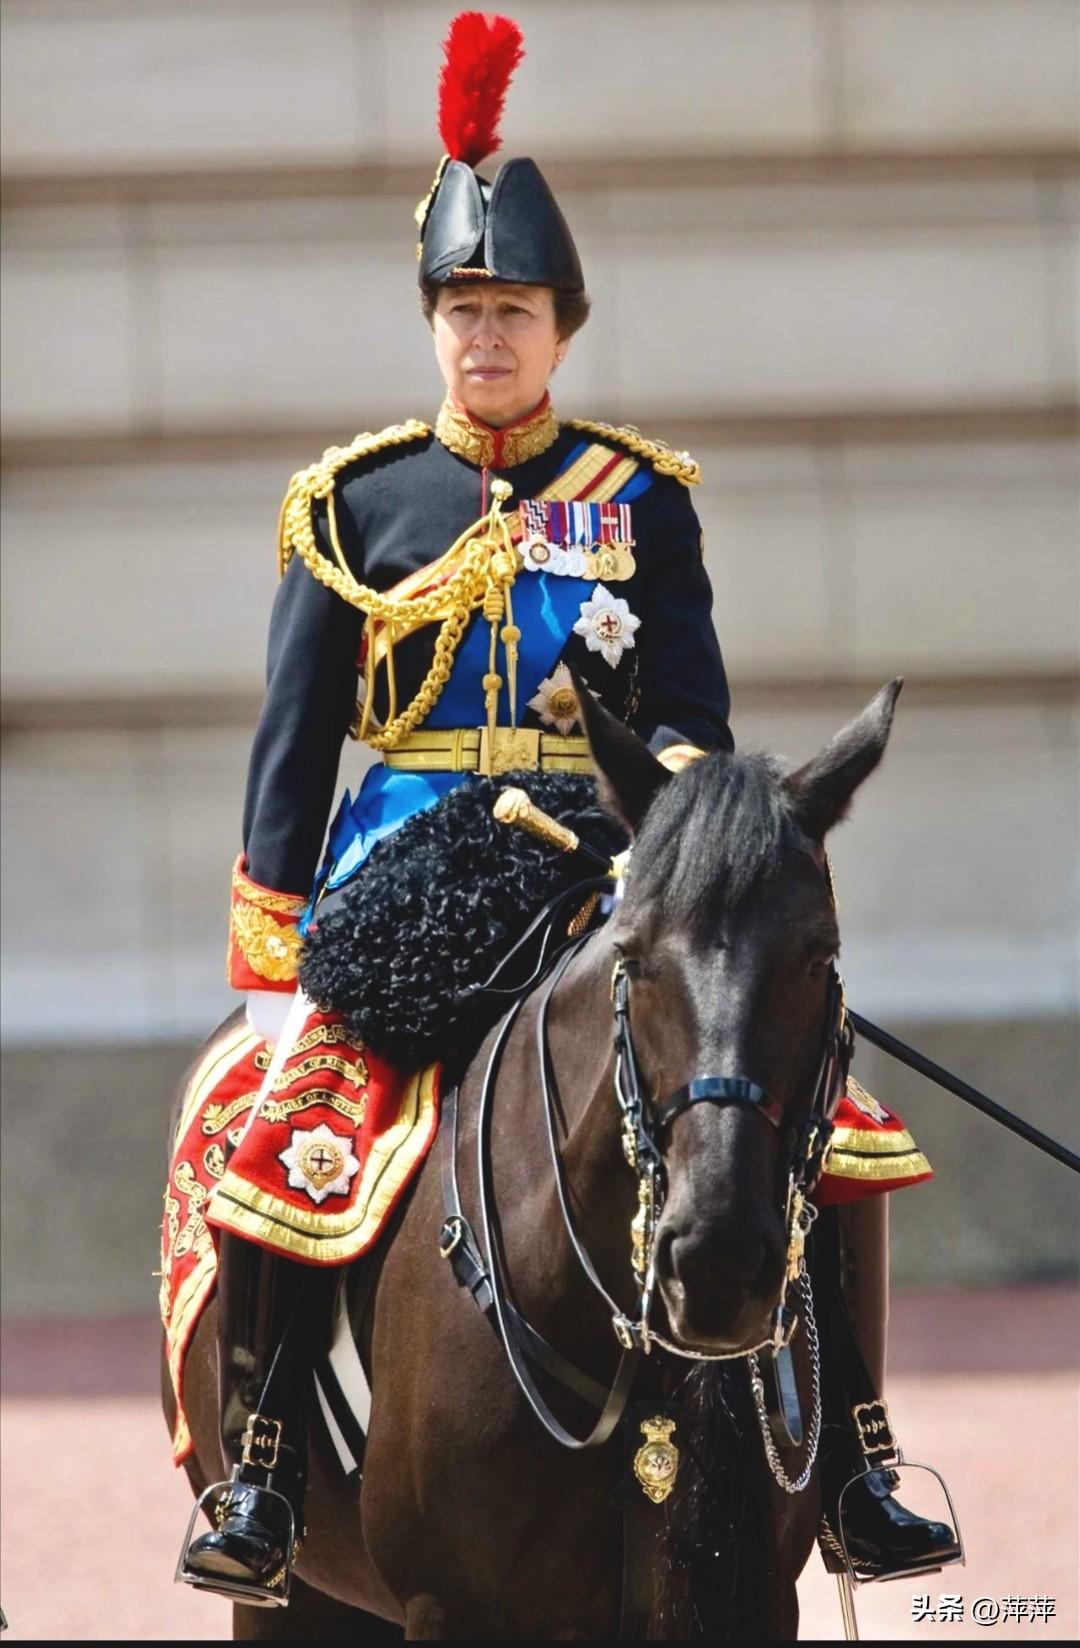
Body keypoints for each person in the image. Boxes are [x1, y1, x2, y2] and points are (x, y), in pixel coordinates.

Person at [178, 10, 959, 1606]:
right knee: (284, 1116)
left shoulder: (638, 499)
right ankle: (263, 1463)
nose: (485, 338)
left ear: (562, 326)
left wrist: (667, 837)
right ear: (433, 325)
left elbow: (695, 720)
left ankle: (863, 1449)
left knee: (827, 1115)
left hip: (605, 870)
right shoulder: (354, 501)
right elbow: (294, 737)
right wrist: (270, 946)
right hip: (400, 870)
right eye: (462, 310)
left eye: (513, 310)